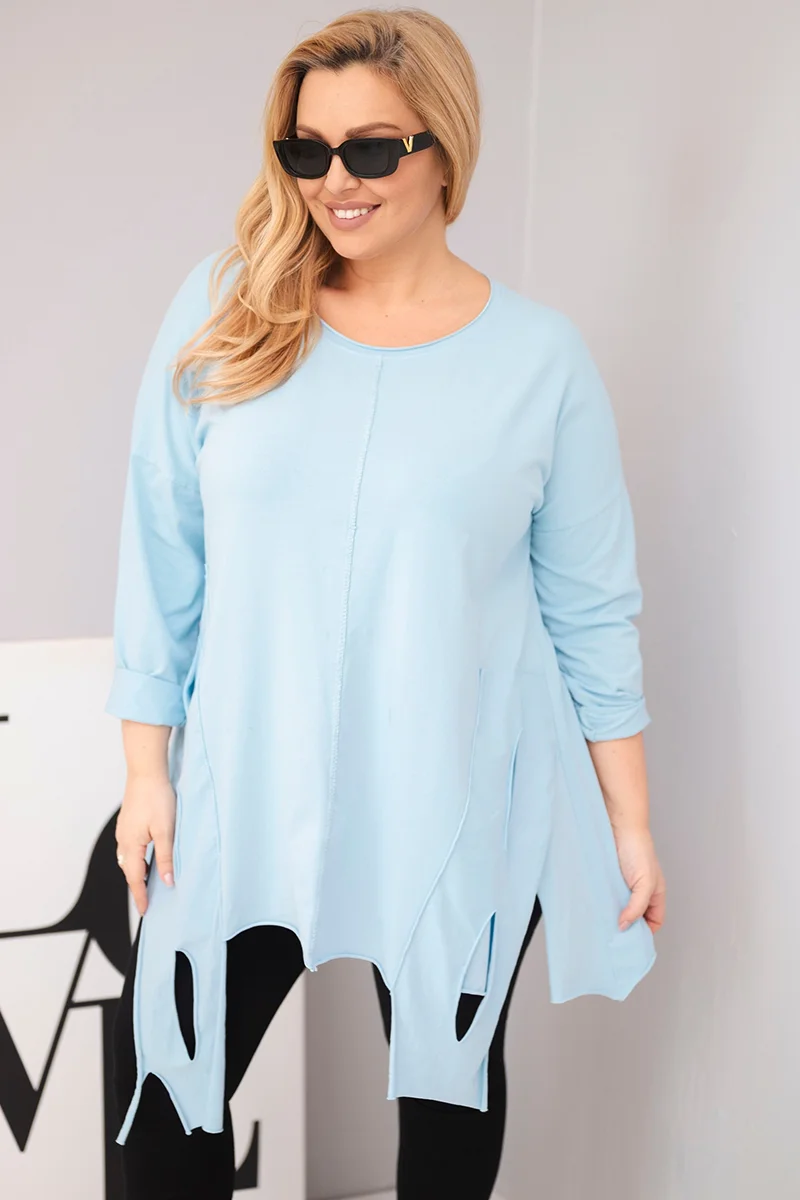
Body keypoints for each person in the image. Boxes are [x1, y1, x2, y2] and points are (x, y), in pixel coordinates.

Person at [106, 8, 667, 1199]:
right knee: (167, 1093)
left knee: (445, 1107)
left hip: (452, 795)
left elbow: (588, 609)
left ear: (444, 149)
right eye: (305, 151)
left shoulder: (539, 361)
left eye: (368, 149)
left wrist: (626, 821)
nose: (333, 182)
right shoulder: (228, 308)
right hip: (247, 784)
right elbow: (162, 547)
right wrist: (147, 769)